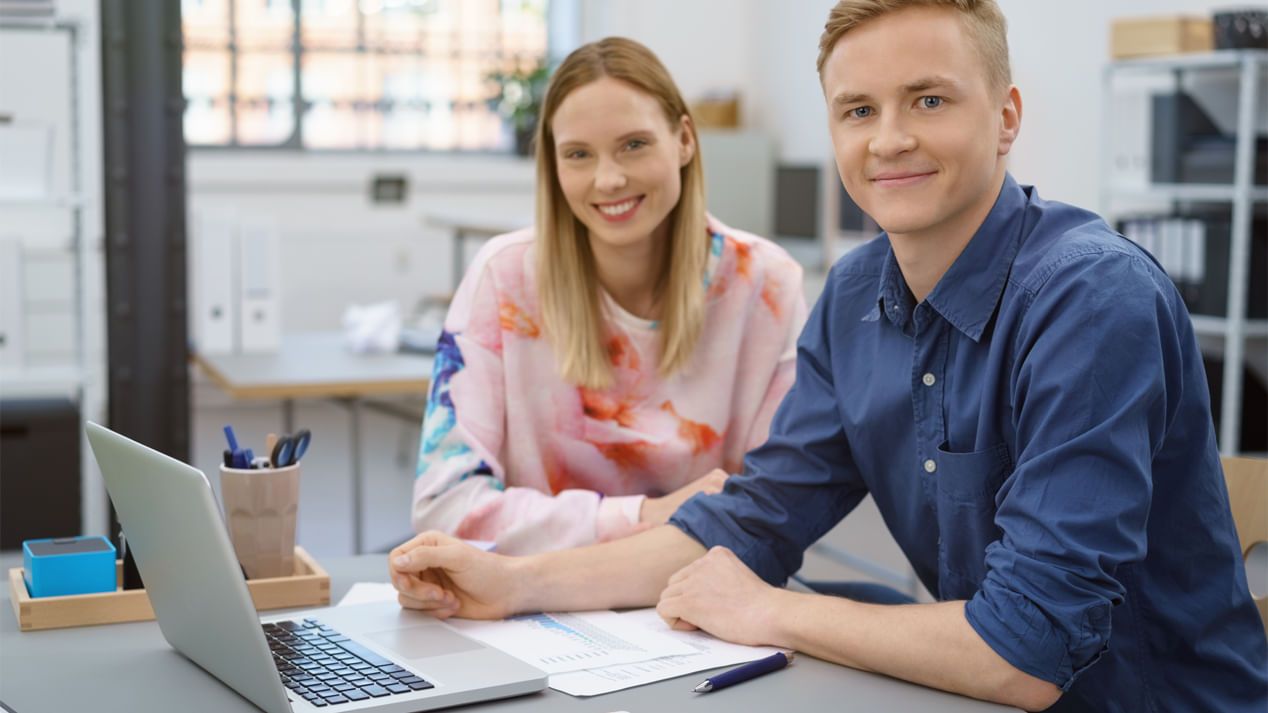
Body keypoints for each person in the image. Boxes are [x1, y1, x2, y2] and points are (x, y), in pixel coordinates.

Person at [389, 2, 1268, 710]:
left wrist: (769, 608)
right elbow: (752, 520)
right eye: (858, 110)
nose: (888, 139)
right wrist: (512, 585)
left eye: (929, 99)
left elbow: (1025, 650)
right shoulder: (854, 298)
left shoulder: (1091, 300)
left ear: (1005, 118)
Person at [410, 37, 807, 555]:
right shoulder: (504, 277)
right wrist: (641, 515)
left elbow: (770, 514)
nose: (609, 179)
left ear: (684, 140)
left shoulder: (766, 284)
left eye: (634, 145)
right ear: (553, 164)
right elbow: (444, 508)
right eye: (578, 154)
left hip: (701, 607)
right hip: (531, 611)